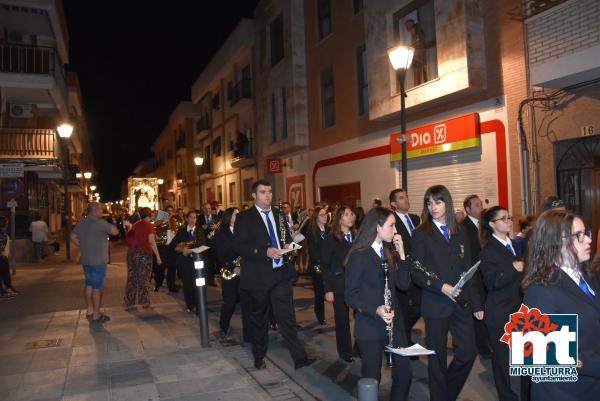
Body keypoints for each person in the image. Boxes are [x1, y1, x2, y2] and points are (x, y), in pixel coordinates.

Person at [410, 185, 484, 401]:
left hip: (461, 302)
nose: (433, 207)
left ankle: (446, 394)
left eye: (438, 202)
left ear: (447, 203)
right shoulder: (422, 233)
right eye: (429, 203)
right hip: (436, 303)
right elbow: (416, 270)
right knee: (437, 360)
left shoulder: (460, 231)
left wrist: (478, 304)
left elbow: (470, 268)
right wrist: (441, 286)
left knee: (468, 354)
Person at [233, 179, 316, 370]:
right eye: (263, 192)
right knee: (260, 319)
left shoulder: (279, 214)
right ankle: (259, 355)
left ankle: (299, 358)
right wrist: (264, 251)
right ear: (254, 195)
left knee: (286, 319)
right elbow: (239, 245)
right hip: (259, 276)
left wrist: (287, 245)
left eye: (269, 191)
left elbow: (285, 236)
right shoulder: (245, 217)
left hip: (281, 274)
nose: (268, 195)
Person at [522, 210, 598, 400]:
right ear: (556, 242)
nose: (589, 240)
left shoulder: (588, 276)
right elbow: (537, 355)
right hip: (565, 392)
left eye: (586, 233)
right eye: (579, 235)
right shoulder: (540, 289)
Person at [345, 207, 412, 401]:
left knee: (404, 372)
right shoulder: (359, 255)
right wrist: (376, 309)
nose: (395, 230)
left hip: (393, 324)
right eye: (391, 225)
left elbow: (403, 284)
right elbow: (350, 296)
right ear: (377, 227)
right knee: (372, 377)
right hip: (369, 325)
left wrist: (402, 254)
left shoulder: (388, 251)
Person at [479, 206, 523, 401]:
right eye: (503, 219)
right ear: (492, 224)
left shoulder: (514, 244)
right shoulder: (488, 250)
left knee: (523, 357)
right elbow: (491, 283)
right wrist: (513, 269)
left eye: (509, 218)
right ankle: (507, 397)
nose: (509, 221)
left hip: (520, 309)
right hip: (500, 312)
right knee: (502, 361)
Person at [71, 202, 119, 323]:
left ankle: (90, 310)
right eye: (100, 210)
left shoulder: (82, 222)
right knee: (97, 288)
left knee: (89, 284)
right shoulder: (100, 223)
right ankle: (97, 315)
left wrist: (82, 246)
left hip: (86, 259)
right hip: (98, 261)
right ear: (95, 210)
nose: (102, 212)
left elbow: (72, 236)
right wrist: (111, 222)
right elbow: (115, 232)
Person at [321, 205, 356, 363]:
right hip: (339, 284)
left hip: (356, 284)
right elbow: (325, 265)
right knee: (342, 320)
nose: (351, 217)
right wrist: (328, 289)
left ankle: (360, 348)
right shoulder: (331, 238)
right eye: (347, 215)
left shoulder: (357, 236)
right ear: (340, 219)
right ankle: (345, 351)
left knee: (361, 317)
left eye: (352, 214)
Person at [389, 188, 421, 348]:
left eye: (407, 196)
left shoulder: (415, 219)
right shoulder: (391, 221)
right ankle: (404, 341)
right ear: (394, 204)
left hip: (417, 269)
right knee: (403, 308)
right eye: (402, 198)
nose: (406, 200)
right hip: (401, 269)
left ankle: (399, 333)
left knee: (418, 306)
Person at [214, 207, 251, 342]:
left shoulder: (243, 231)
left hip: (245, 272)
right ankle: (223, 328)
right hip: (230, 271)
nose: (238, 216)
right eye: (236, 214)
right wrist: (233, 267)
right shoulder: (221, 234)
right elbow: (221, 256)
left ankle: (249, 333)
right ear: (229, 217)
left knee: (247, 302)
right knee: (229, 303)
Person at [461, 194, 491, 358]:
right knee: (478, 309)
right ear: (468, 209)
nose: (481, 208)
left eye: (481, 204)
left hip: (485, 272)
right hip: (474, 274)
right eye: (477, 205)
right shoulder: (463, 227)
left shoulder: (484, 225)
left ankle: (486, 342)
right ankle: (482, 347)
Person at [124, 207, 162, 309]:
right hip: (143, 255)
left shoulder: (136, 224)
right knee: (144, 278)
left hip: (131, 254)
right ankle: (144, 301)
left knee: (132, 278)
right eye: (153, 213)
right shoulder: (148, 225)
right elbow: (152, 242)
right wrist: (158, 256)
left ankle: (129, 302)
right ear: (150, 215)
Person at [172, 211, 206, 312]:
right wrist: (182, 250)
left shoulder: (199, 231)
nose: (193, 220)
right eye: (191, 218)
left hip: (197, 262)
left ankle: (199, 305)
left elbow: (203, 245)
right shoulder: (181, 231)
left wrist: (191, 250)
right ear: (187, 219)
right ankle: (190, 305)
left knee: (199, 285)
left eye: (195, 218)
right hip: (185, 263)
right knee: (187, 285)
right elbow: (174, 246)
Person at [304, 205, 329, 325]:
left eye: (326, 214)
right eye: (322, 215)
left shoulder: (329, 229)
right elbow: (313, 251)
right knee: (319, 292)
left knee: (330, 289)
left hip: (329, 265)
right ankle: (320, 315)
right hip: (318, 264)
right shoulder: (312, 231)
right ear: (316, 217)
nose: (325, 217)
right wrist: (323, 258)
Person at [405, 19, 428, 85]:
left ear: (411, 24)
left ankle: (421, 83)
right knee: (419, 70)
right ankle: (420, 83)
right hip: (418, 55)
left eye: (407, 25)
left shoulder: (417, 31)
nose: (406, 27)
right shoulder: (416, 31)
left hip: (419, 55)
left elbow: (419, 42)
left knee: (419, 70)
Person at [0, 216, 18, 296]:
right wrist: (2, 253)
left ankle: (6, 288)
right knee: (4, 273)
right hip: (2, 256)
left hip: (4, 255)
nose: (7, 224)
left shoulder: (3, 232)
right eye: (6, 222)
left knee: (5, 273)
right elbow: (2, 244)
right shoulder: (2, 233)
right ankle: (5, 290)